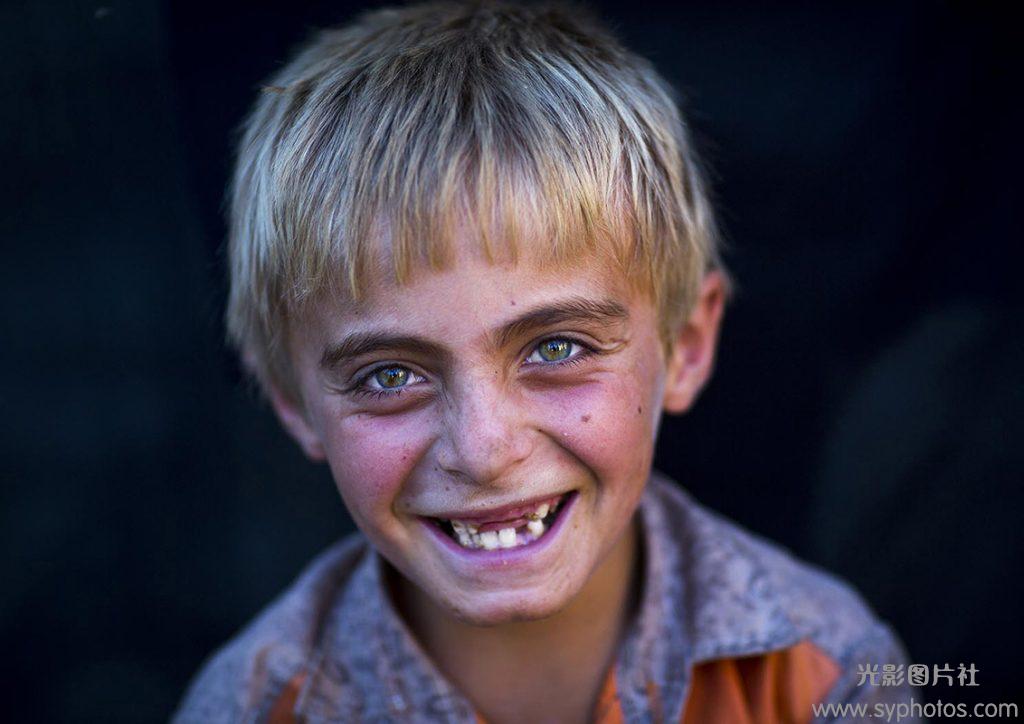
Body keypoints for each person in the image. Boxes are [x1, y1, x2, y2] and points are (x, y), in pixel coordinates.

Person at [175, 2, 917, 721]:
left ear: (687, 345)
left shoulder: (826, 676)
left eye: (557, 348)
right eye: (389, 375)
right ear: (293, 403)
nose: (485, 450)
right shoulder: (249, 705)